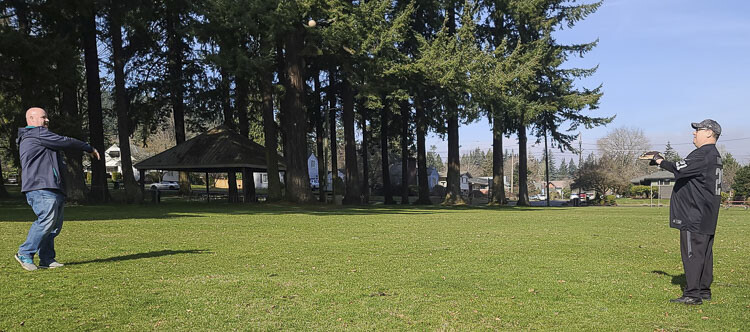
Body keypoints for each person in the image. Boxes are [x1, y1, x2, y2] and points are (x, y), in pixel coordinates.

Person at [645, 119, 723, 305]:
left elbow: (679, 169)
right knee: (704, 253)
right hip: (707, 213)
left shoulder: (703, 154)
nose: (694, 133)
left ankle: (692, 294)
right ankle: (704, 290)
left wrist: (658, 160)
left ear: (710, 133)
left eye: (698, 130)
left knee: (692, 253)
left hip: (694, 213)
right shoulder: (714, 155)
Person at [14, 107, 99, 271]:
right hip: (41, 186)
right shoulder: (36, 133)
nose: (47, 120)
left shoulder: (39, 137)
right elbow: (65, 141)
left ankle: (46, 258)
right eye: (43, 117)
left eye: (47, 117)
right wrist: (88, 147)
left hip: (52, 186)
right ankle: (25, 253)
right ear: (31, 119)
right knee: (46, 221)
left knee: (53, 226)